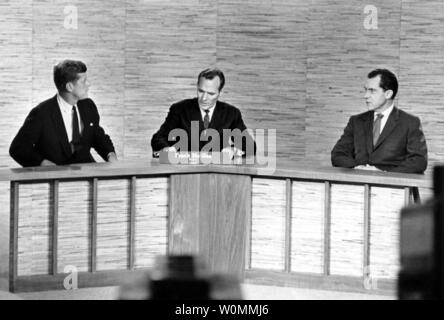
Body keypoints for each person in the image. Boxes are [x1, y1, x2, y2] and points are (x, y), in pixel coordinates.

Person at [9, 59, 117, 167]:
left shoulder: (88, 106)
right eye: (84, 81)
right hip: (56, 179)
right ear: (69, 86)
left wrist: (110, 155)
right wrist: (42, 163)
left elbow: (97, 135)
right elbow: (18, 148)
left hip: (88, 177)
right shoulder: (41, 113)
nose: (88, 84)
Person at [331, 68, 427, 173]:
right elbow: (338, 154)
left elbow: (418, 162)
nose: (365, 96)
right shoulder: (356, 121)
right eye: (366, 90)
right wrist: (359, 169)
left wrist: (384, 174)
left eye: (372, 91)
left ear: (388, 94)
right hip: (358, 184)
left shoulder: (409, 122)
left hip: (393, 186)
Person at [151, 68, 256, 158]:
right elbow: (158, 138)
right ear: (197, 87)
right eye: (201, 91)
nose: (204, 98)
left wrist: (233, 150)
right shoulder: (179, 109)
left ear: (220, 92)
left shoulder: (231, 113)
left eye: (211, 93)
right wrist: (167, 149)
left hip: (217, 174)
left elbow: (250, 145)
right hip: (184, 173)